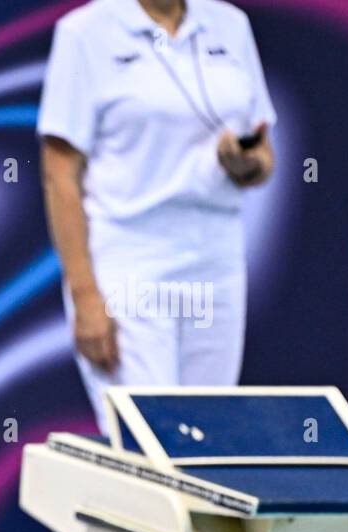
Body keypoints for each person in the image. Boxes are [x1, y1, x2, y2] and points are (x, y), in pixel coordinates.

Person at [39, 0, 276, 432]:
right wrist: (85, 295)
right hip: (131, 260)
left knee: (208, 440)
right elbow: (59, 174)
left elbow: (263, 154)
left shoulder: (230, 24)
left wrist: (246, 165)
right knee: (147, 442)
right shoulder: (85, 33)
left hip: (216, 260)